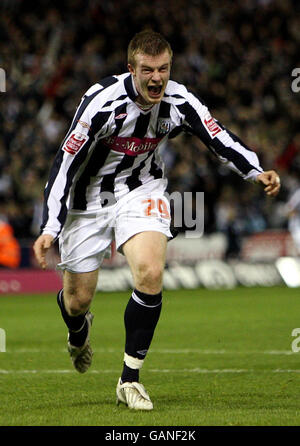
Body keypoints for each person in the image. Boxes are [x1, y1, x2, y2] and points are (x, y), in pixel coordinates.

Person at [33, 30, 281, 411]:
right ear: (130, 68)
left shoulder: (179, 100)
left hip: (141, 190)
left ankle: (129, 378)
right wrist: (51, 226)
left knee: (150, 273)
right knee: (77, 301)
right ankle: (78, 332)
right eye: (147, 70)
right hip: (87, 201)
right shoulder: (100, 103)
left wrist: (256, 170)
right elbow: (64, 163)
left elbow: (217, 136)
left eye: (163, 69)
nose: (156, 78)